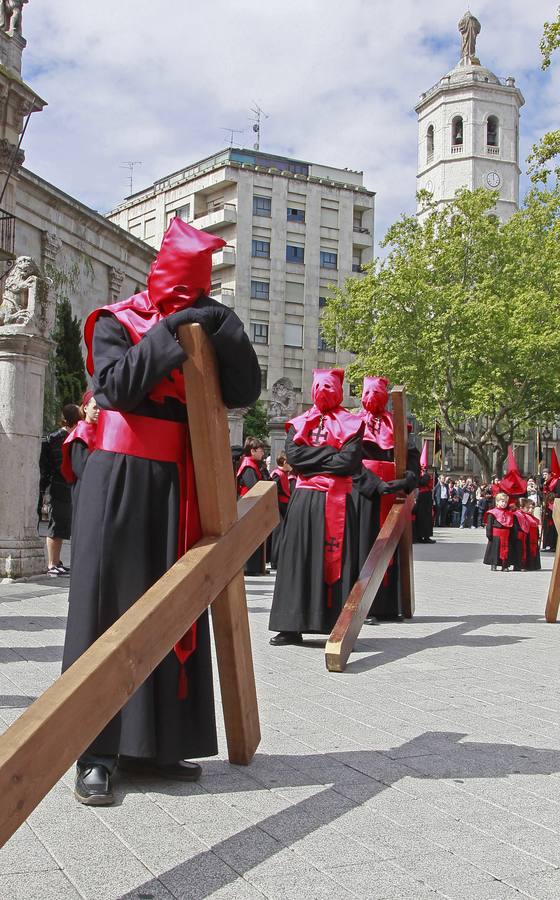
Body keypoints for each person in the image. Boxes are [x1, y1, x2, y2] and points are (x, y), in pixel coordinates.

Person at [61, 219, 261, 806]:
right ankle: (95, 752)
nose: (192, 302)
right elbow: (116, 389)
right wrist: (170, 330)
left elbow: (243, 390)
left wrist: (228, 333)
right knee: (107, 606)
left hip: (184, 480)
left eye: (200, 295)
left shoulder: (207, 322)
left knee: (173, 607)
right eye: (184, 292)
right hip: (119, 479)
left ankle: (159, 745)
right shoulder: (113, 322)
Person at [268, 368, 363, 646]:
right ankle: (290, 625)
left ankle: (336, 625)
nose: (323, 392)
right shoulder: (299, 423)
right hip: (304, 500)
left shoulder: (353, 424)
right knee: (297, 559)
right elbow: (294, 458)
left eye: (328, 387)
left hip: (338, 501)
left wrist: (313, 460)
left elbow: (349, 462)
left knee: (337, 563)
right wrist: (331, 453)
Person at [352, 376, 417, 622]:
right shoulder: (352, 423)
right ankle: (363, 605)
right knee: (364, 547)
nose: (372, 398)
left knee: (390, 547)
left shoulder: (397, 424)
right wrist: (373, 485)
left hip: (393, 492)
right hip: (363, 494)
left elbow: (412, 458)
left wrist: (408, 479)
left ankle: (388, 605)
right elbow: (350, 461)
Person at [39, 403, 82, 577]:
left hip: (65, 486)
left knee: (62, 525)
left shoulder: (68, 435)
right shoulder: (58, 437)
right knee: (55, 525)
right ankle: (51, 563)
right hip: (58, 486)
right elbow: (59, 464)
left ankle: (57, 562)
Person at [60, 391, 99, 514]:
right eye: (95, 407)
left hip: (98, 487)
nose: (99, 411)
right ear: (86, 407)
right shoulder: (80, 433)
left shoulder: (102, 430)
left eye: (102, 408)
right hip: (85, 488)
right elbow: (80, 467)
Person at [236, 437, 269, 575]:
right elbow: (253, 486)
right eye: (261, 450)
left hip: (253, 504)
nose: (263, 453)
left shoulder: (254, 464)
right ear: (253, 450)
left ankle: (256, 567)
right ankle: (249, 568)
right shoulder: (248, 466)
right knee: (250, 537)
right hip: (248, 503)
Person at [268, 452, 292, 570]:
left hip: (283, 505)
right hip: (278, 506)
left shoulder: (283, 473)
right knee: (279, 534)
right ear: (284, 462)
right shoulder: (277, 475)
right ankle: (275, 561)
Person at [483, 492, 513, 571]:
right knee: (495, 551)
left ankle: (504, 565)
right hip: (496, 535)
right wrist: (489, 534)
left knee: (505, 550)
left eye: (506, 502)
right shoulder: (492, 512)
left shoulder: (509, 513)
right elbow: (489, 525)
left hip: (505, 535)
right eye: (502, 501)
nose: (504, 503)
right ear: (497, 502)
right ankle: (494, 564)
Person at [522, 499, 541, 570]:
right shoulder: (523, 516)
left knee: (534, 549)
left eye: (532, 508)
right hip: (527, 536)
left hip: (533, 537)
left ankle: (534, 565)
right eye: (528, 508)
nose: (531, 510)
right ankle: (527, 565)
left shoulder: (534, 518)